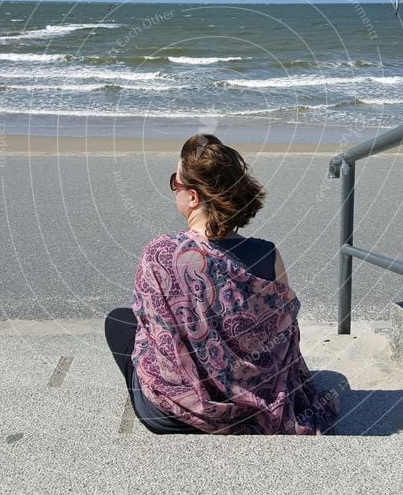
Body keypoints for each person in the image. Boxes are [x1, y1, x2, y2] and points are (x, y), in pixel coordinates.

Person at [105, 134, 341, 435]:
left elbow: (152, 326)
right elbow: (284, 337)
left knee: (118, 321)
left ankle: (188, 398)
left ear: (193, 197)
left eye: (174, 183)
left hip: (170, 415)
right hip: (255, 407)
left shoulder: (160, 254)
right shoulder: (268, 255)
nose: (173, 190)